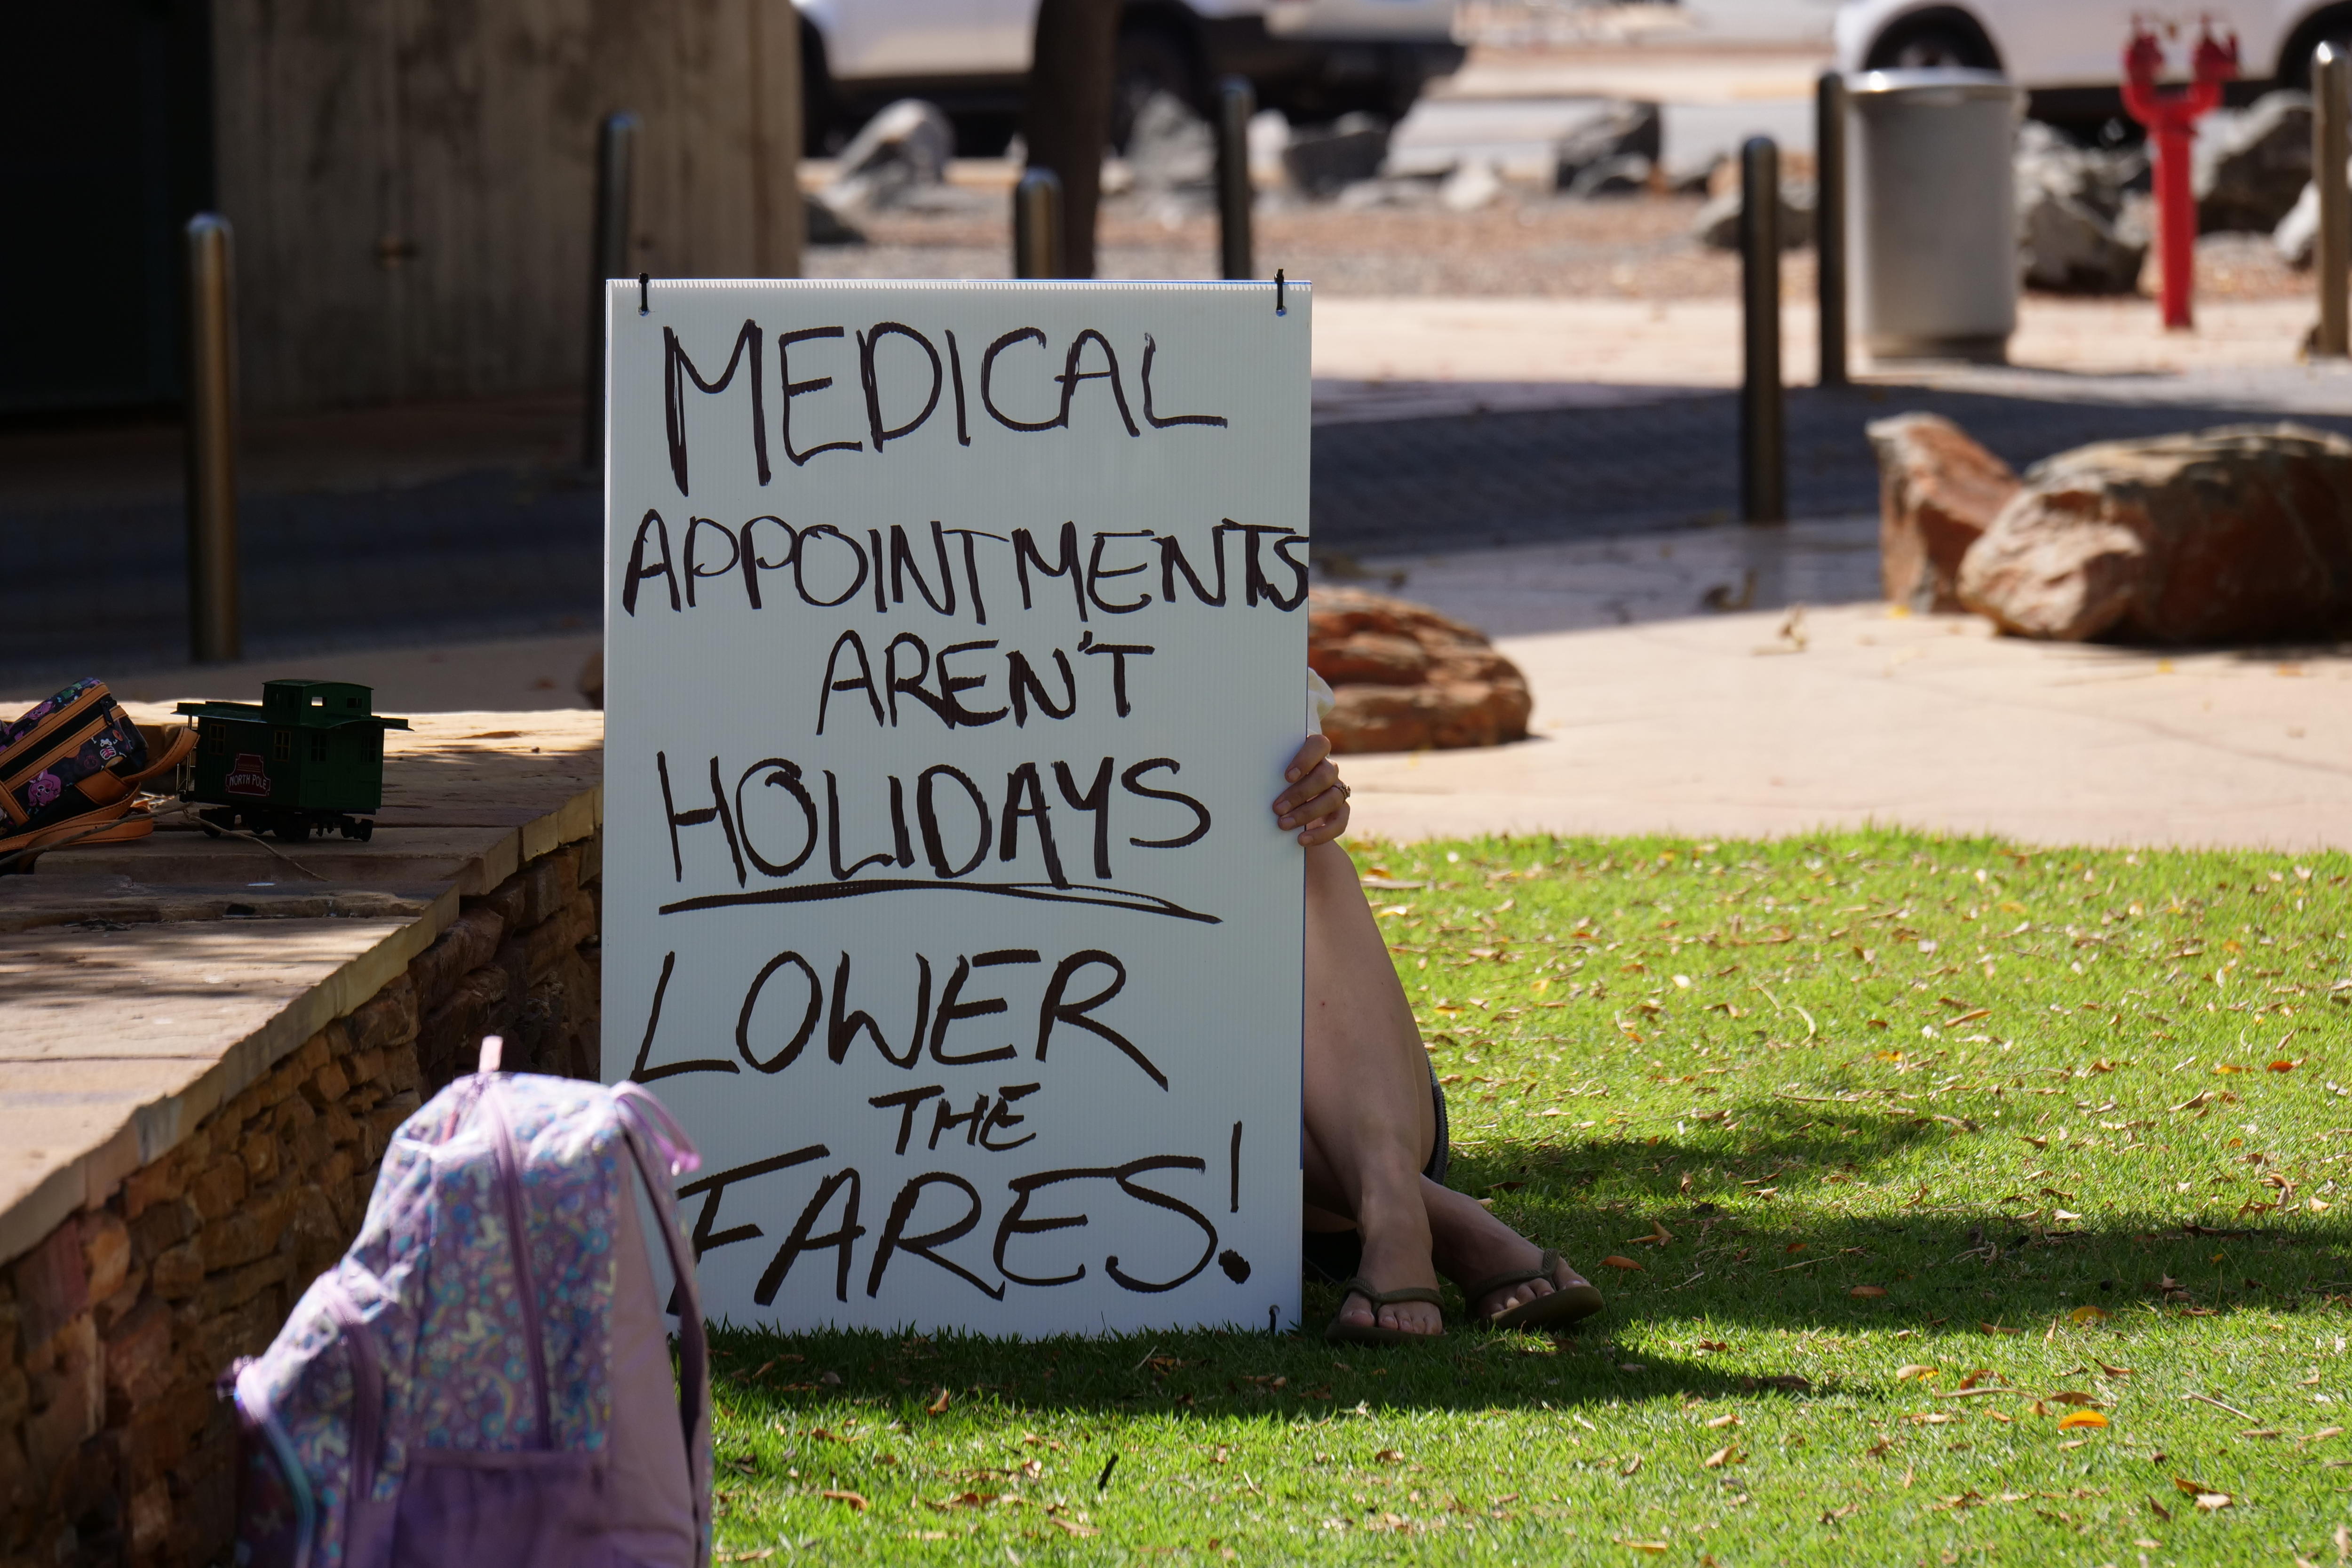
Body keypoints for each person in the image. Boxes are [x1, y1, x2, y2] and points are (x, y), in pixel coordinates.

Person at [1270, 724, 1602, 1345]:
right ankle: (1431, 1213)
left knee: (1302, 846)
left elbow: (1275, 729)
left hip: (1354, 1118)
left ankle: (1393, 1201)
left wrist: (1310, 784)